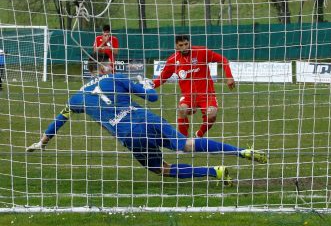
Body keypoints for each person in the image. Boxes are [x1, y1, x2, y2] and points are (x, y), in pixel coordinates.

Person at [26, 53, 266, 185]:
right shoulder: (115, 78)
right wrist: (144, 84)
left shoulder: (76, 98)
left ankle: (215, 171)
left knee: (162, 169)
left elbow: (60, 119)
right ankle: (242, 151)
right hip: (147, 117)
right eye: (108, 64)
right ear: (101, 68)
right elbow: (151, 97)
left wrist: (42, 142)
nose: (111, 66)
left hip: (130, 134)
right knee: (186, 144)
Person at [153, 34, 235, 138]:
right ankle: (183, 141)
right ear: (176, 46)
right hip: (188, 96)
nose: (184, 47)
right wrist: (150, 85)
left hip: (206, 94)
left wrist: (229, 77)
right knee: (182, 110)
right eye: (181, 45)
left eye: (186, 44)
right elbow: (162, 78)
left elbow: (223, 60)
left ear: (189, 43)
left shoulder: (202, 52)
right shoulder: (172, 60)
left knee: (212, 115)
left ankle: (199, 134)